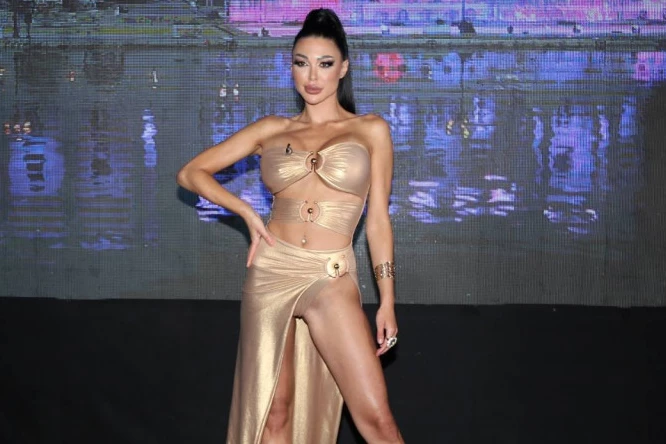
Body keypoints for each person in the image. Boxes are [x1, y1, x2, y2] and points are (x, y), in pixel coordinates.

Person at [176, 8, 403, 444]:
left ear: (344, 68)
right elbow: (191, 173)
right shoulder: (271, 129)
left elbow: (377, 222)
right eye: (302, 63)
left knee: (376, 420)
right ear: (291, 67)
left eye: (324, 63)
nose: (312, 76)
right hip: (272, 271)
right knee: (273, 413)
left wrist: (387, 300)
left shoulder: (371, 129)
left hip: (329, 276)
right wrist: (246, 212)